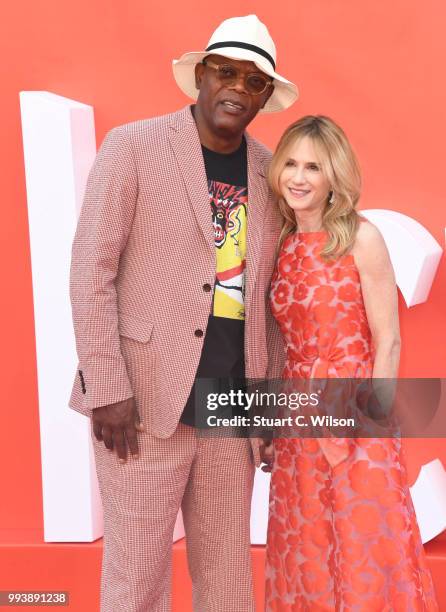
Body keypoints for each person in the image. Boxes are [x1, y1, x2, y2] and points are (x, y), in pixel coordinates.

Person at [68, 14, 297, 612]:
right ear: (200, 74)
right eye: (226, 72)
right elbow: (91, 273)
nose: (236, 89)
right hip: (140, 405)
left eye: (253, 82)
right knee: (136, 576)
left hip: (231, 408)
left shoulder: (271, 173)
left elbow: (270, 305)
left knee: (227, 579)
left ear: (266, 96)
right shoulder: (134, 145)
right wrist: (107, 388)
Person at [263, 116, 438, 610]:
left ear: (334, 175)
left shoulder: (362, 239)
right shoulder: (281, 243)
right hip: (298, 417)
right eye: (291, 164)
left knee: (365, 542)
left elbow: (389, 341)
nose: (298, 177)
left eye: (313, 167)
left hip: (357, 415)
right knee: (307, 540)